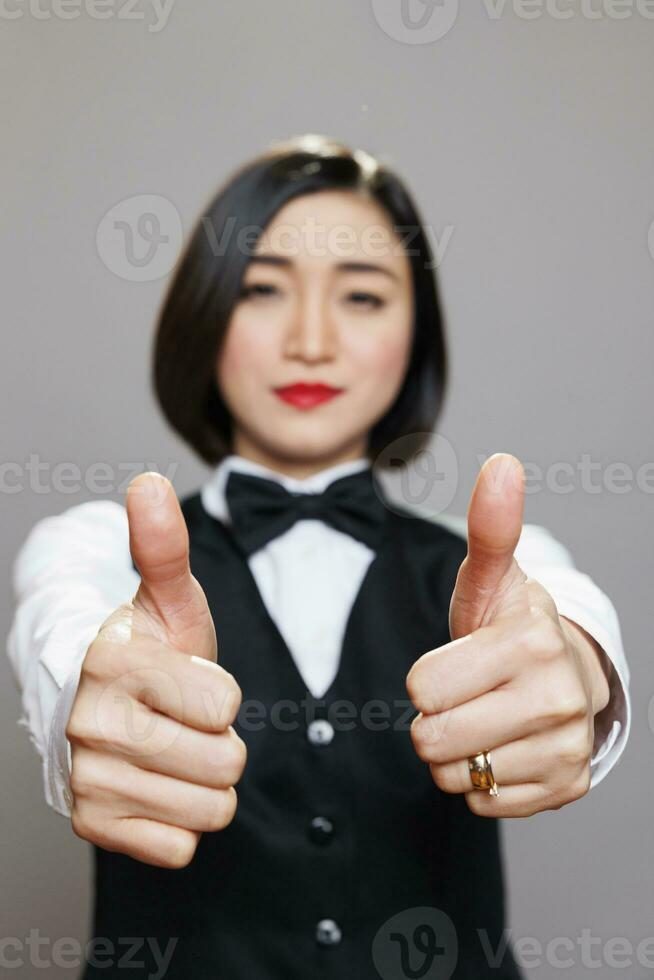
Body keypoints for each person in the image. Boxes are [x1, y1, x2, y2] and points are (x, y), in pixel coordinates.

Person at [7, 134, 630, 979]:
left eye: (363, 297)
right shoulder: (92, 547)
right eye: (263, 289)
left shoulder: (504, 564)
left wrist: (582, 681)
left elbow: (570, 626)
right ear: (204, 313)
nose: (310, 340)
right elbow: (62, 634)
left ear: (417, 333)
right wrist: (90, 703)